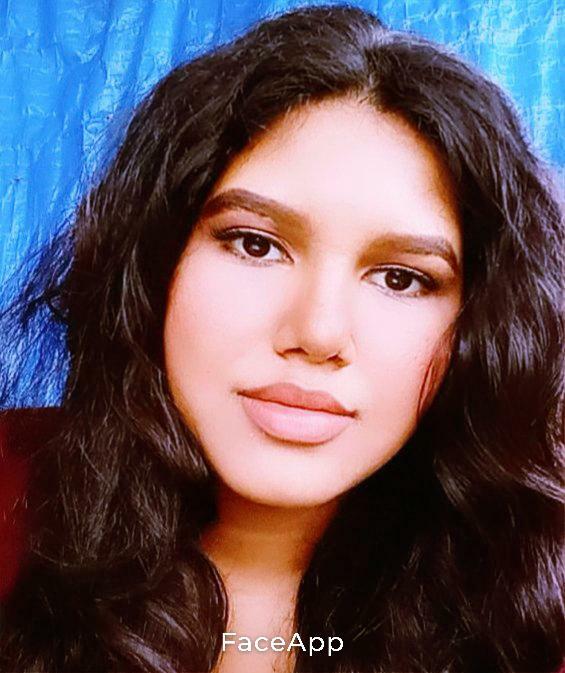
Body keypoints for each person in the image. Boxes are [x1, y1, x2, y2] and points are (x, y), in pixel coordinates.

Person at [0, 5, 563, 673]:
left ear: (483, 323)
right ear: (154, 258)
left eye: (401, 278)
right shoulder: (12, 495)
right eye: (255, 244)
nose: (317, 333)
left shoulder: (533, 606)